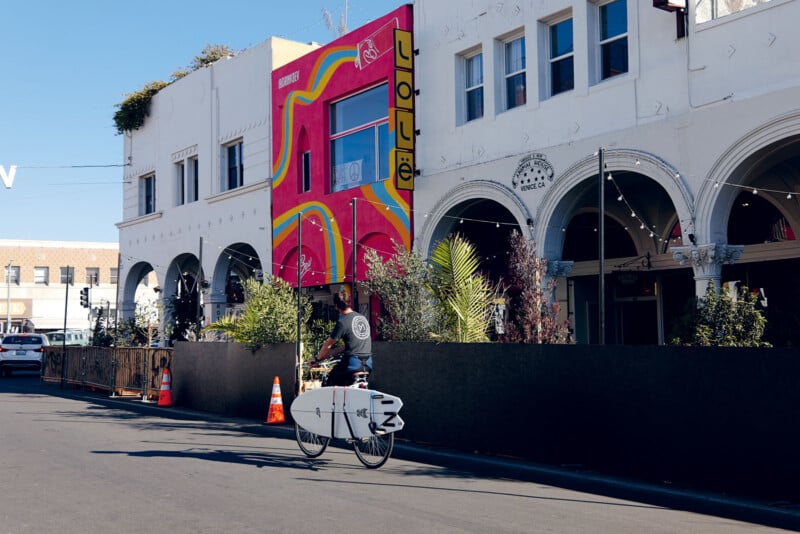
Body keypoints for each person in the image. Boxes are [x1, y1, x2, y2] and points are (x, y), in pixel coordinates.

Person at [310, 290, 372, 386]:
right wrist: (327, 355)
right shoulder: (363, 318)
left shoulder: (342, 323)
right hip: (368, 364)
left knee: (331, 379)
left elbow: (328, 345)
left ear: (336, 306)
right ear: (349, 302)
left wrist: (317, 359)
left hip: (352, 364)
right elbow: (349, 346)